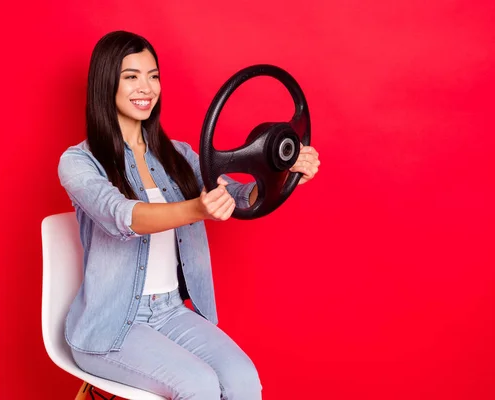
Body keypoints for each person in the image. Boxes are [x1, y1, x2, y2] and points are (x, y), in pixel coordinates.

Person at [57, 30, 321, 400]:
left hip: (170, 313)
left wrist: (285, 170)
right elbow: (122, 217)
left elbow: (242, 196)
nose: (146, 87)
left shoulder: (177, 155)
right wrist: (196, 208)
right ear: (106, 84)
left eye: (153, 76)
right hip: (110, 326)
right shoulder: (78, 162)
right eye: (131, 76)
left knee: (245, 381)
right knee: (198, 386)